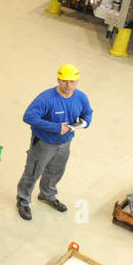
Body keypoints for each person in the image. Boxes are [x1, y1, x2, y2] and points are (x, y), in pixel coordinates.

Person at [16, 63, 93, 220]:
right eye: (65, 80)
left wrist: (85, 122)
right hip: (44, 143)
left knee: (56, 170)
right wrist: (56, 127)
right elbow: (29, 117)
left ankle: (47, 195)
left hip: (65, 143)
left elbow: (88, 113)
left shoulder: (81, 97)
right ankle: (23, 200)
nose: (68, 85)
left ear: (77, 81)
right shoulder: (46, 99)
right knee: (33, 171)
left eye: (72, 81)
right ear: (58, 80)